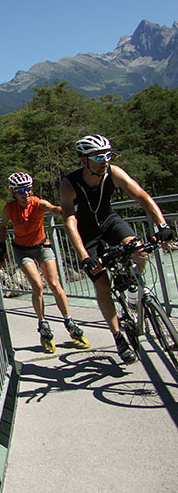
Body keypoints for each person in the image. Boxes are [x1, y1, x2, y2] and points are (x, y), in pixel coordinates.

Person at [59, 134, 175, 364]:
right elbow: (69, 220)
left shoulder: (113, 172)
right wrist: (83, 256)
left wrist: (162, 224)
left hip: (110, 221)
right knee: (101, 281)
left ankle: (130, 283)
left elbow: (141, 195)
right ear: (84, 161)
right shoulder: (69, 184)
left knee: (139, 249)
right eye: (99, 156)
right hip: (87, 231)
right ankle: (118, 336)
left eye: (108, 155)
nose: (105, 160)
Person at [0, 172, 85, 351]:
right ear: (14, 192)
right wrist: (1, 247)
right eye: (21, 190)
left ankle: (69, 320)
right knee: (38, 286)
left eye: (29, 189)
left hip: (42, 246)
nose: (26, 193)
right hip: (22, 251)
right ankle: (43, 322)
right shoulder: (10, 208)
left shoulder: (39, 203)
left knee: (54, 284)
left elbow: (55, 209)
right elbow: (3, 226)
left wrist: (72, 208)